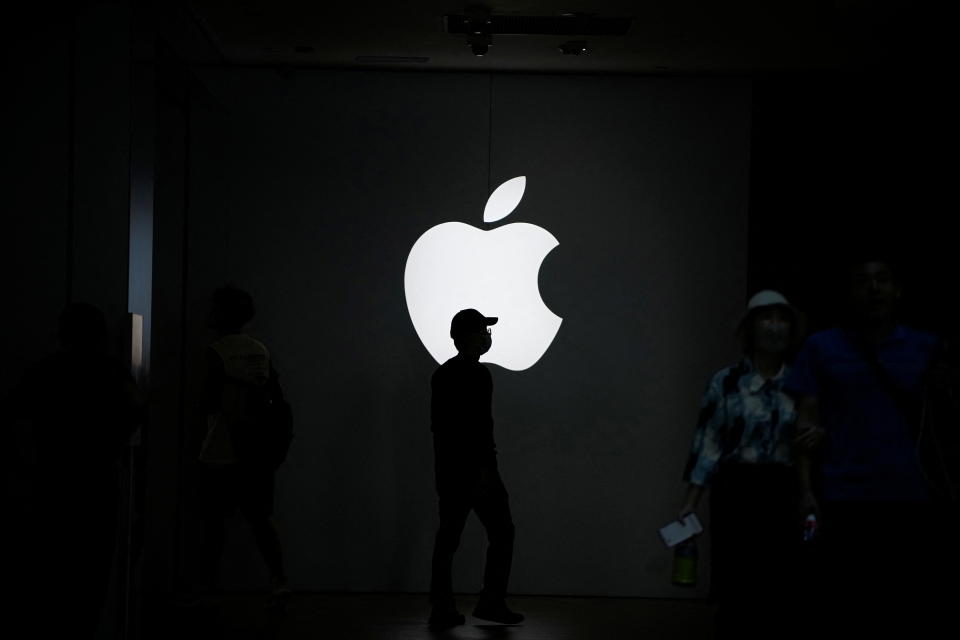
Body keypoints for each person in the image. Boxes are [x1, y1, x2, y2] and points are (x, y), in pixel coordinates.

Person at [785, 256, 943, 635]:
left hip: (908, 495)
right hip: (842, 495)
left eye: (883, 280)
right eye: (863, 281)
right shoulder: (822, 347)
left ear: (898, 289)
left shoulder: (925, 347)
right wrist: (806, 491)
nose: (873, 288)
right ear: (848, 292)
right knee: (843, 603)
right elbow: (804, 425)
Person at [11, 302, 145, 636]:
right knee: (92, 571)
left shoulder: (45, 370)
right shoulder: (112, 372)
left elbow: (14, 417)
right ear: (101, 334)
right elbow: (136, 411)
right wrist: (113, 442)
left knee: (51, 567)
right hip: (98, 480)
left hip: (52, 480)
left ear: (63, 332)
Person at [679, 290, 802, 640]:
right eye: (766, 318)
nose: (774, 327)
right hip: (736, 489)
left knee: (779, 581)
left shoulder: (799, 383)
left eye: (781, 319)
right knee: (735, 581)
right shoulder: (726, 382)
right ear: (750, 327)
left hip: (782, 489)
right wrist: (690, 503)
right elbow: (708, 443)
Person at [194, 285, 292, 605]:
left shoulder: (216, 351)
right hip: (257, 451)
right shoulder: (259, 350)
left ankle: (209, 586)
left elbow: (206, 401)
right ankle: (279, 579)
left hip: (220, 448)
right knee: (262, 520)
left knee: (213, 524)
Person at [428, 309, 523, 629]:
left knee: (450, 539)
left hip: (457, 472)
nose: (487, 337)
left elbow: (443, 429)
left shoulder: (446, 374)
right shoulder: (473, 375)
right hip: (474, 472)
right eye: (483, 331)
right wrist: (485, 470)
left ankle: (446, 607)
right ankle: (489, 602)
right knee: (498, 532)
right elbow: (473, 429)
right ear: (466, 336)